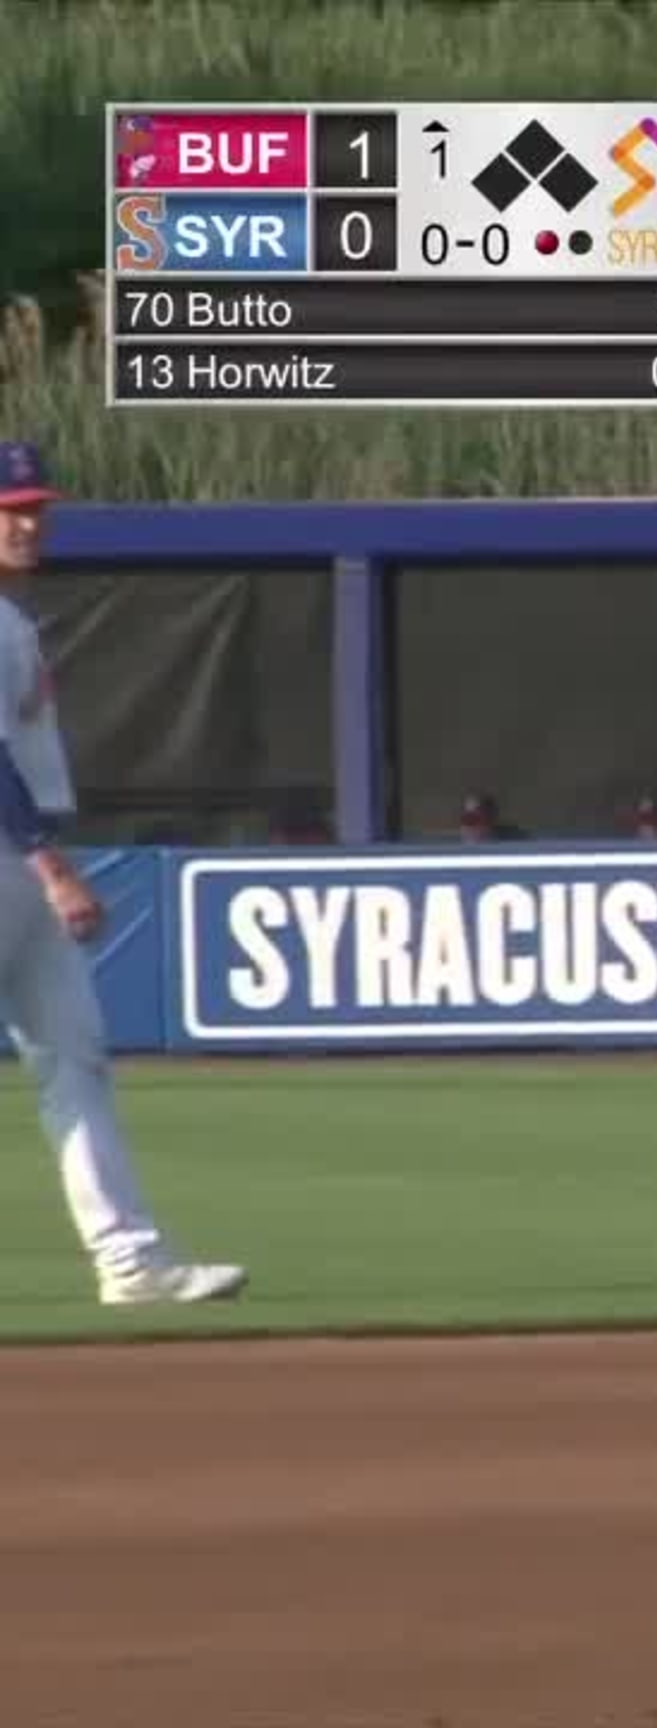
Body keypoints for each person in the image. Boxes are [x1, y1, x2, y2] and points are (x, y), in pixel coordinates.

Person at [0, 443, 247, 1306]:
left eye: (35, 506)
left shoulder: (14, 619)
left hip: (22, 866)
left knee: (76, 1059)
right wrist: (53, 867)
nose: (27, 522)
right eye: (10, 509)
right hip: (14, 859)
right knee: (71, 1060)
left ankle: (130, 1259)